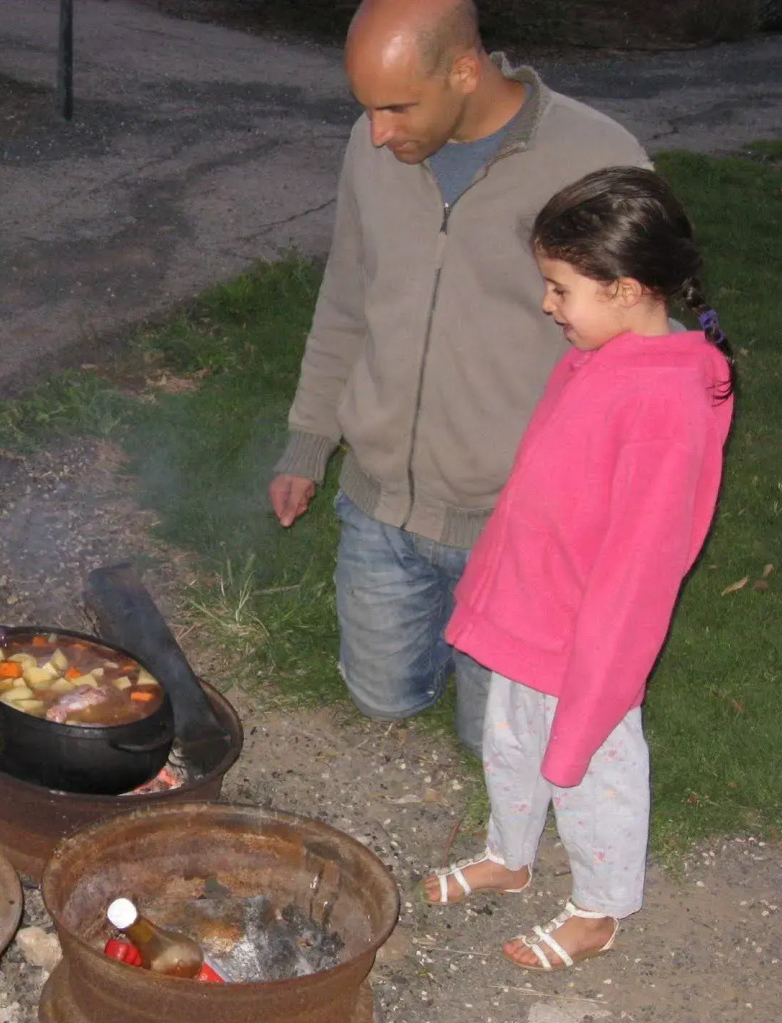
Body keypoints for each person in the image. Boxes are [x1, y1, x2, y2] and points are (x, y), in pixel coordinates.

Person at [267, 0, 649, 756]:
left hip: (513, 522)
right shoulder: (371, 145)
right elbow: (345, 297)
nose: (377, 132)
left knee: (495, 748)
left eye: (398, 107)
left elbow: (641, 358)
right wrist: (308, 442)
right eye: (367, 109)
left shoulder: (593, 159)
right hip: (382, 504)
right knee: (382, 704)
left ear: (467, 72)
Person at [420, 167, 734, 970]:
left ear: (627, 288)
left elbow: (637, 572)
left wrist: (599, 685)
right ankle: (510, 853)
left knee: (594, 773)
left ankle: (600, 906)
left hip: (586, 640)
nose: (549, 305)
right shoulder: (600, 356)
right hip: (534, 612)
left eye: (560, 288)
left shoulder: (664, 407)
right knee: (512, 744)